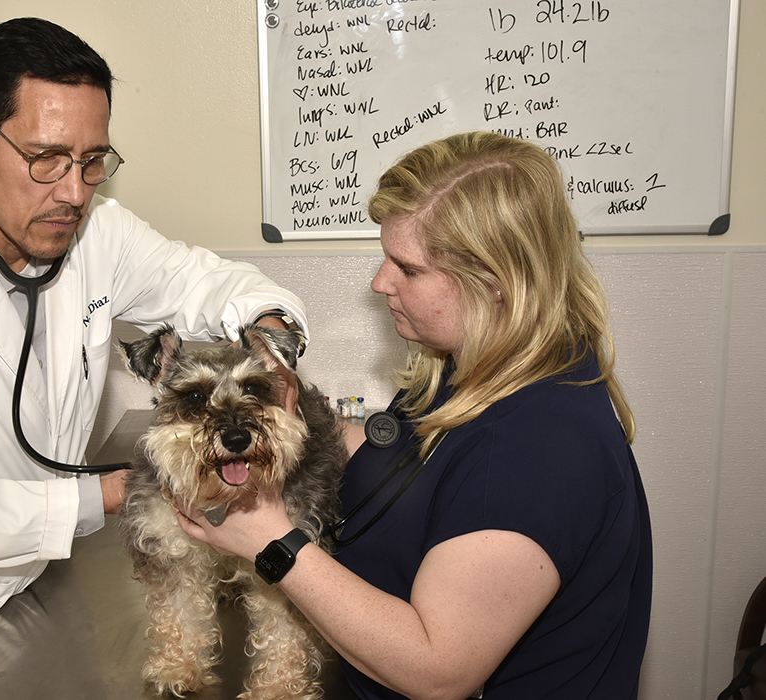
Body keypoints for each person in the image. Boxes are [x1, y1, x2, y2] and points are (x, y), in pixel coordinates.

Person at [0, 17, 306, 700]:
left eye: (94, 160)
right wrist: (113, 491)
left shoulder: (98, 234)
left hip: (39, 584)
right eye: (46, 158)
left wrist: (272, 332)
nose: (75, 192)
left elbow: (207, 282)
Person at [177, 131, 653, 700]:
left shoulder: (538, 450)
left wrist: (271, 541)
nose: (381, 282)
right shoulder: (475, 365)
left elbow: (438, 671)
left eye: (408, 267)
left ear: (494, 281)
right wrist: (295, 431)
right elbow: (411, 464)